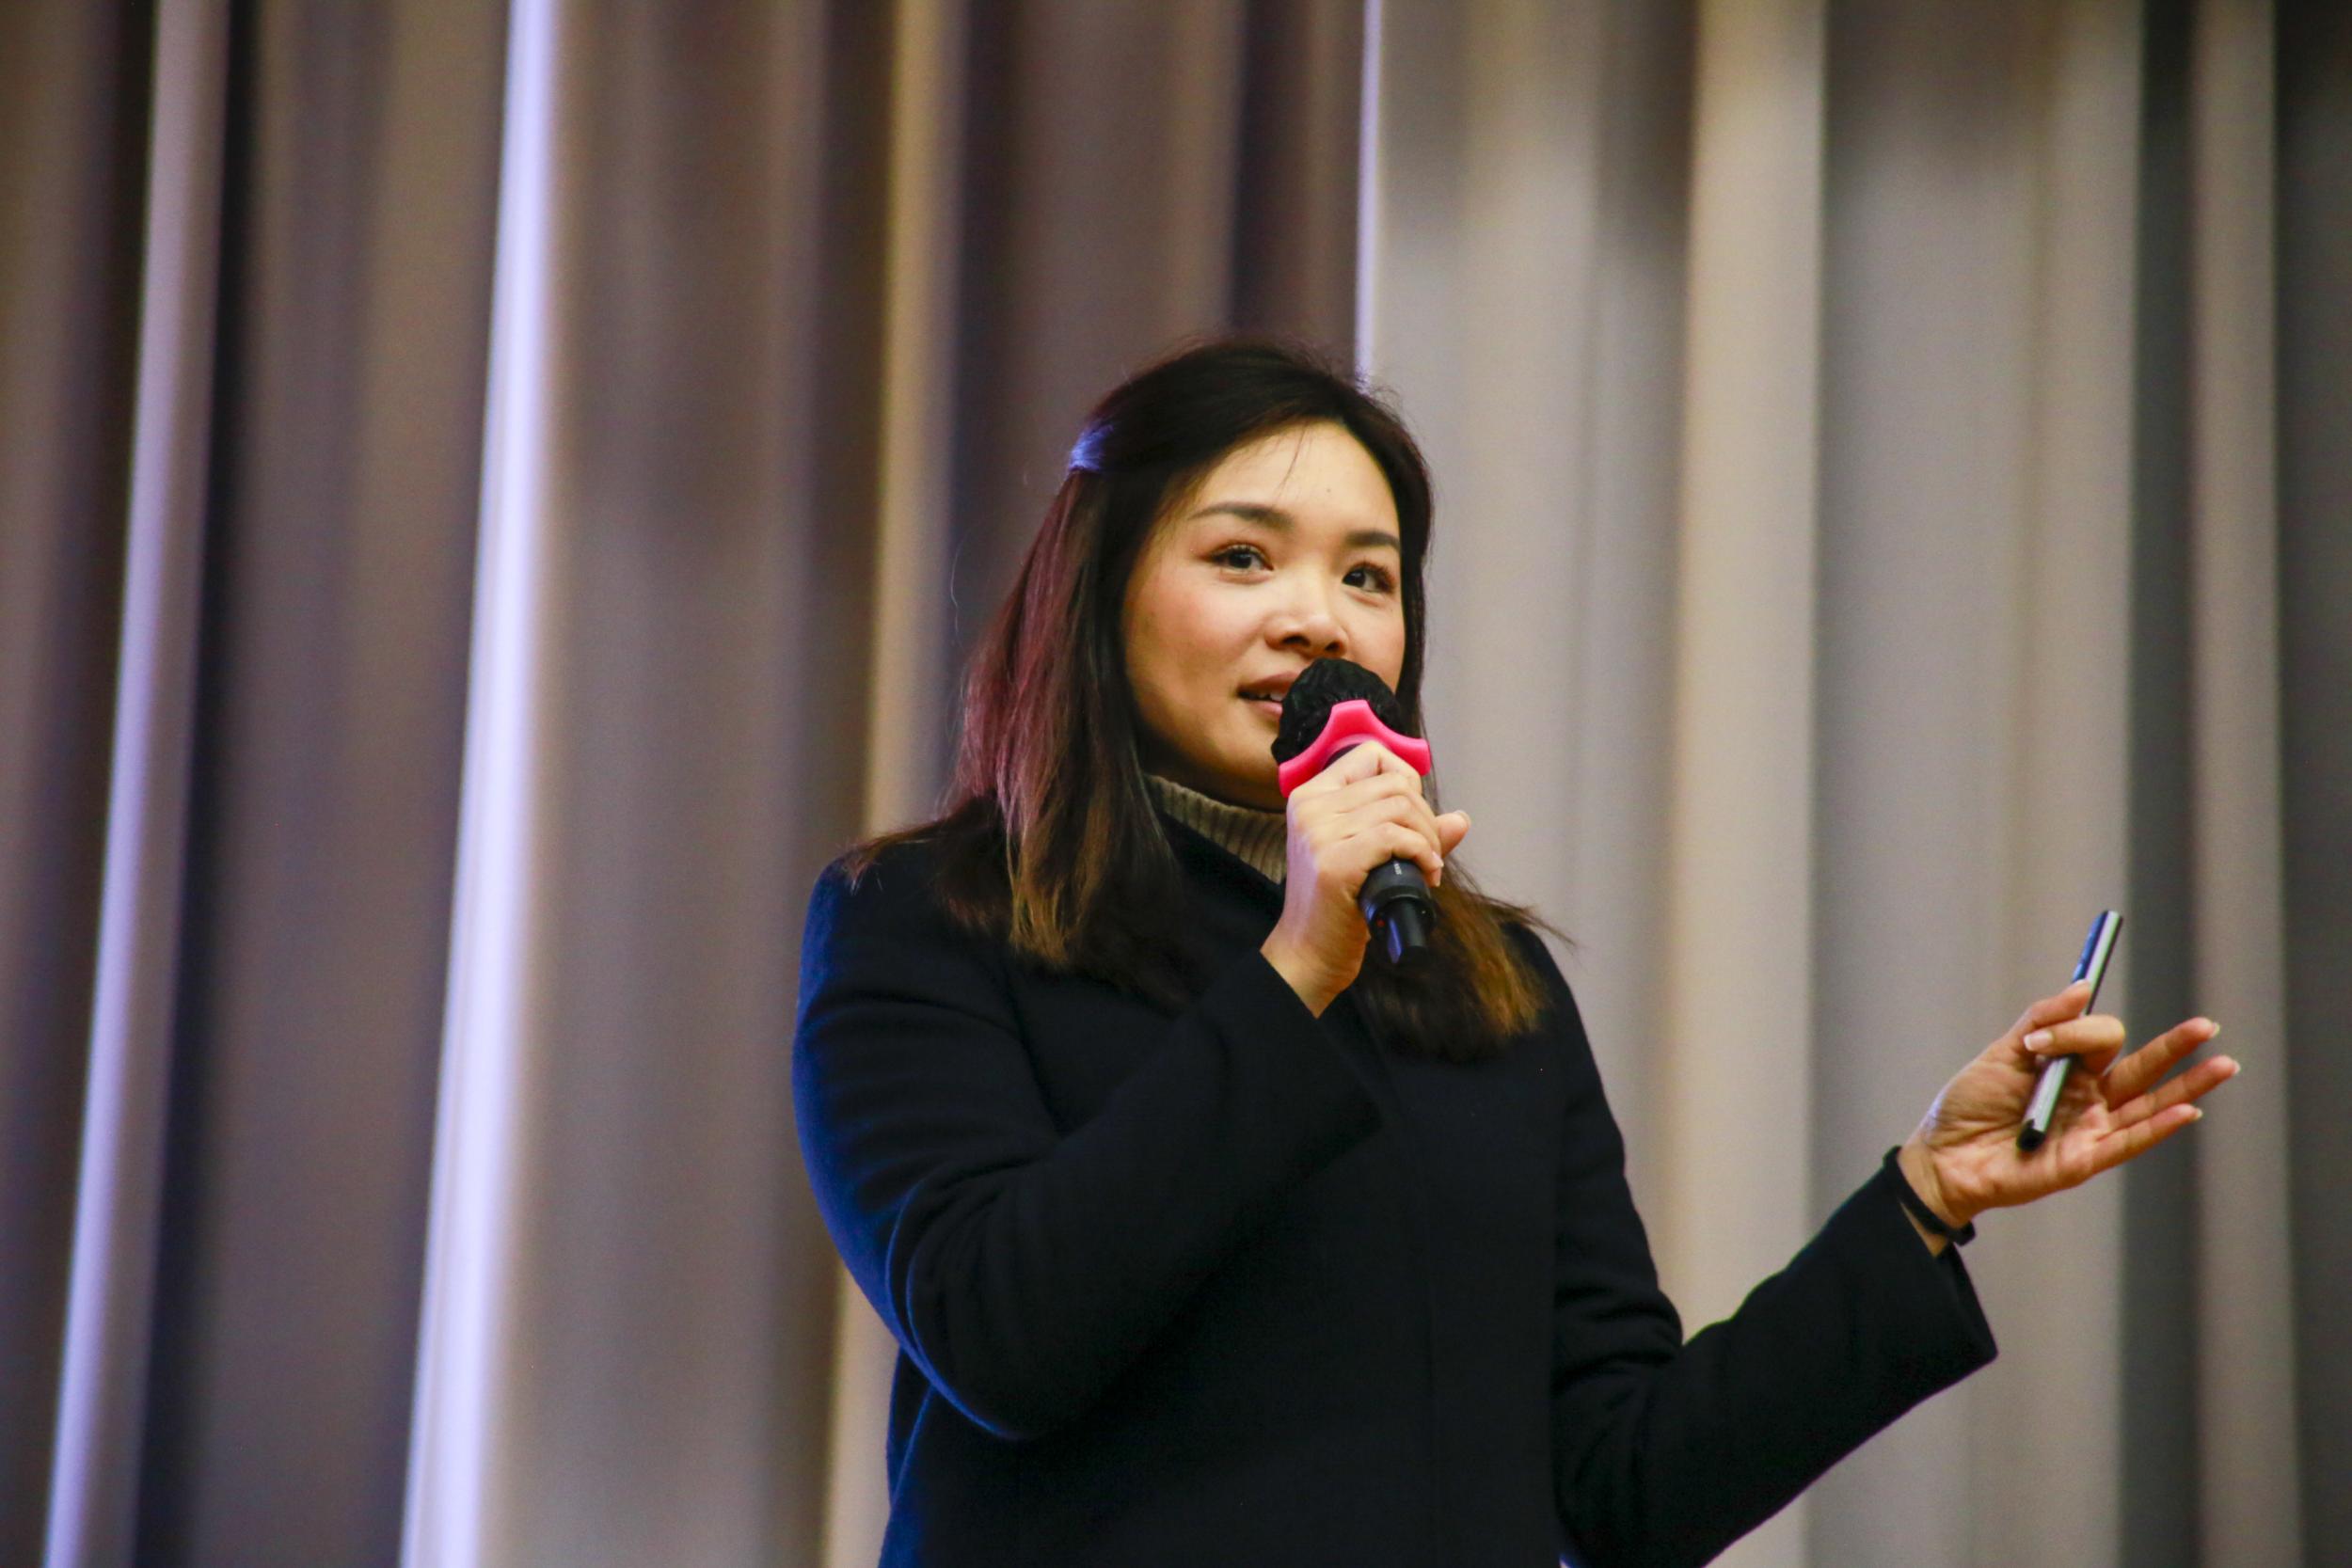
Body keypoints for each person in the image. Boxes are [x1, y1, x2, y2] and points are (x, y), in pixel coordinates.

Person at [790, 338, 2237, 1567]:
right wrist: (1297, 969)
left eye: (1370, 578)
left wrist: (1923, 1198)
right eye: (1242, 557)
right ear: (1099, 593)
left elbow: (1622, 1487)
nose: (1317, 619)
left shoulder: (1478, 980)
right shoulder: (927, 921)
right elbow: (1002, 1338)